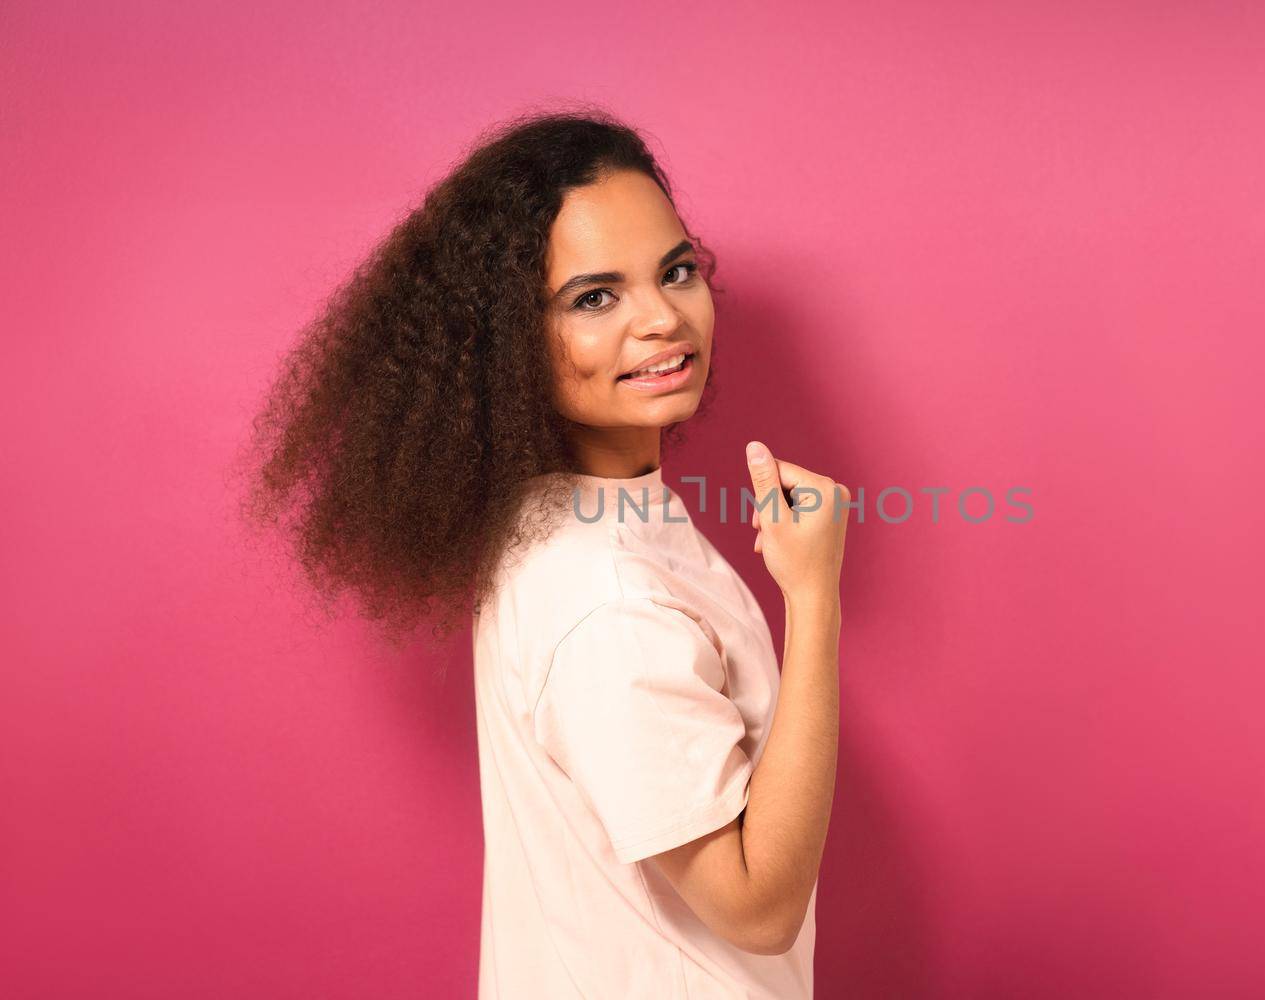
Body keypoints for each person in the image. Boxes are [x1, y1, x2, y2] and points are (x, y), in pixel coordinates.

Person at [243, 109, 846, 998]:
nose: (662, 320)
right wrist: (816, 598)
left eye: (675, 271)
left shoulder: (573, 519)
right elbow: (757, 908)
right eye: (594, 297)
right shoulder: (608, 600)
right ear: (509, 341)